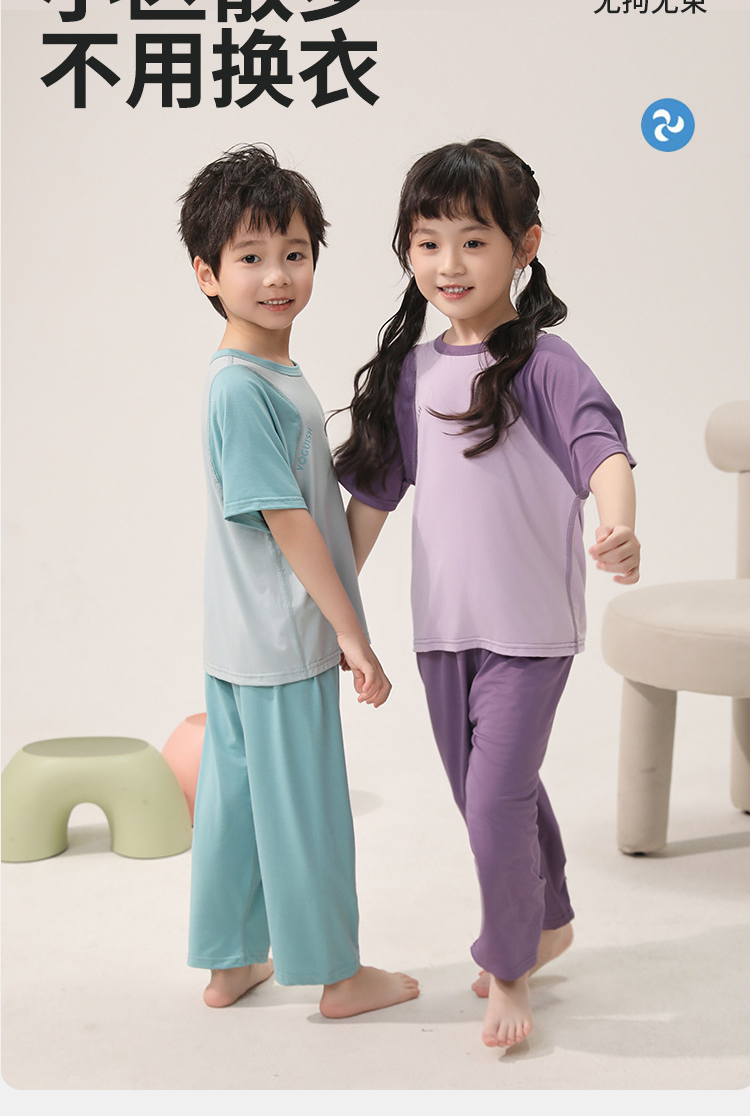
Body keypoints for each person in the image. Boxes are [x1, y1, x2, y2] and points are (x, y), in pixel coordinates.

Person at [334, 138, 640, 1049]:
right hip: (443, 630)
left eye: (474, 241)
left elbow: (602, 451)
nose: (449, 263)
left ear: (524, 245)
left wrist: (618, 524)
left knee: (495, 798)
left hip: (531, 632)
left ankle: (510, 964)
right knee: (489, 794)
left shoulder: (546, 364)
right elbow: (372, 500)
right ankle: (550, 919)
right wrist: (333, 603)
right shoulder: (413, 373)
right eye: (428, 243)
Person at [179, 144, 419, 1019]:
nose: (277, 276)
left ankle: (231, 962)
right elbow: (286, 523)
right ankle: (337, 975)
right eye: (250, 257)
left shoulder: (265, 374)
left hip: (243, 638)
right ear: (207, 274)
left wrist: (371, 480)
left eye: (294, 253)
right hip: (283, 644)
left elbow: (305, 511)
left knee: (238, 808)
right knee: (307, 812)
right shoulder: (243, 388)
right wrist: (352, 634)